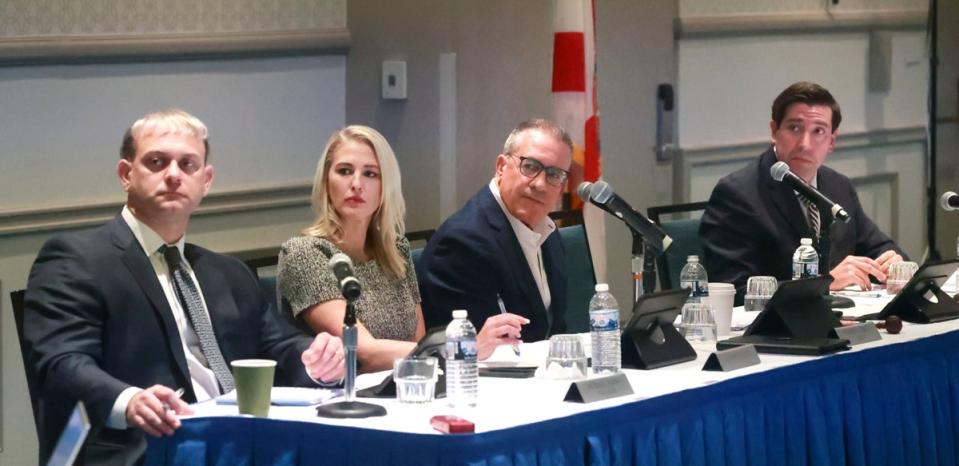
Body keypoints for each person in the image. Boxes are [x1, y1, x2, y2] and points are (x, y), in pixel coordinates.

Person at [22, 109, 345, 466]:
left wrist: (317, 359)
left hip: (239, 444)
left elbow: (279, 346)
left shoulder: (228, 272)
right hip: (145, 447)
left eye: (187, 165)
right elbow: (61, 363)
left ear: (205, 181)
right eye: (157, 162)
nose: (173, 175)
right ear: (126, 175)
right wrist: (129, 400)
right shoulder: (76, 259)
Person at [700, 82, 905, 303]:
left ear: (831, 142)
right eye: (794, 128)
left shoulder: (838, 186)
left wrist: (894, 265)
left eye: (818, 131)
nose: (805, 144)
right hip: (772, 332)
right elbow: (734, 290)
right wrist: (822, 283)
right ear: (774, 131)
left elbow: (877, 246)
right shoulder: (737, 194)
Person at [418, 119, 571, 357]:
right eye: (530, 167)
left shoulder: (548, 232)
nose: (540, 184)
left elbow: (554, 327)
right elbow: (471, 350)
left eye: (554, 174)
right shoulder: (461, 242)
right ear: (501, 166)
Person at [278, 126, 425, 373]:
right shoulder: (304, 254)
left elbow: (417, 342)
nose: (356, 184)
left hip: (401, 388)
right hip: (339, 397)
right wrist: (457, 350)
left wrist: (435, 353)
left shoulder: (396, 250)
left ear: (385, 186)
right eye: (345, 171)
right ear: (326, 181)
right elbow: (363, 351)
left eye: (370, 174)